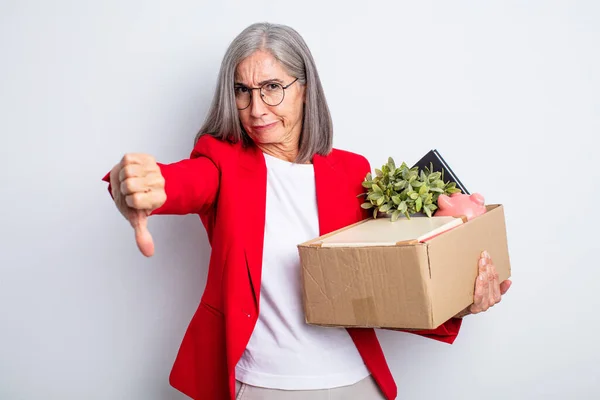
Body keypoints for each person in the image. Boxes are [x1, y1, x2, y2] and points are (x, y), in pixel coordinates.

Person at [102, 22, 512, 400]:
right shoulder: (221, 163)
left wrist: (462, 298)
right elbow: (181, 183)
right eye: (242, 90)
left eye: (272, 87)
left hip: (356, 381)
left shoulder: (353, 172)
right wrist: (139, 185)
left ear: (304, 88)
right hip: (260, 384)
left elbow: (385, 283)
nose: (256, 108)